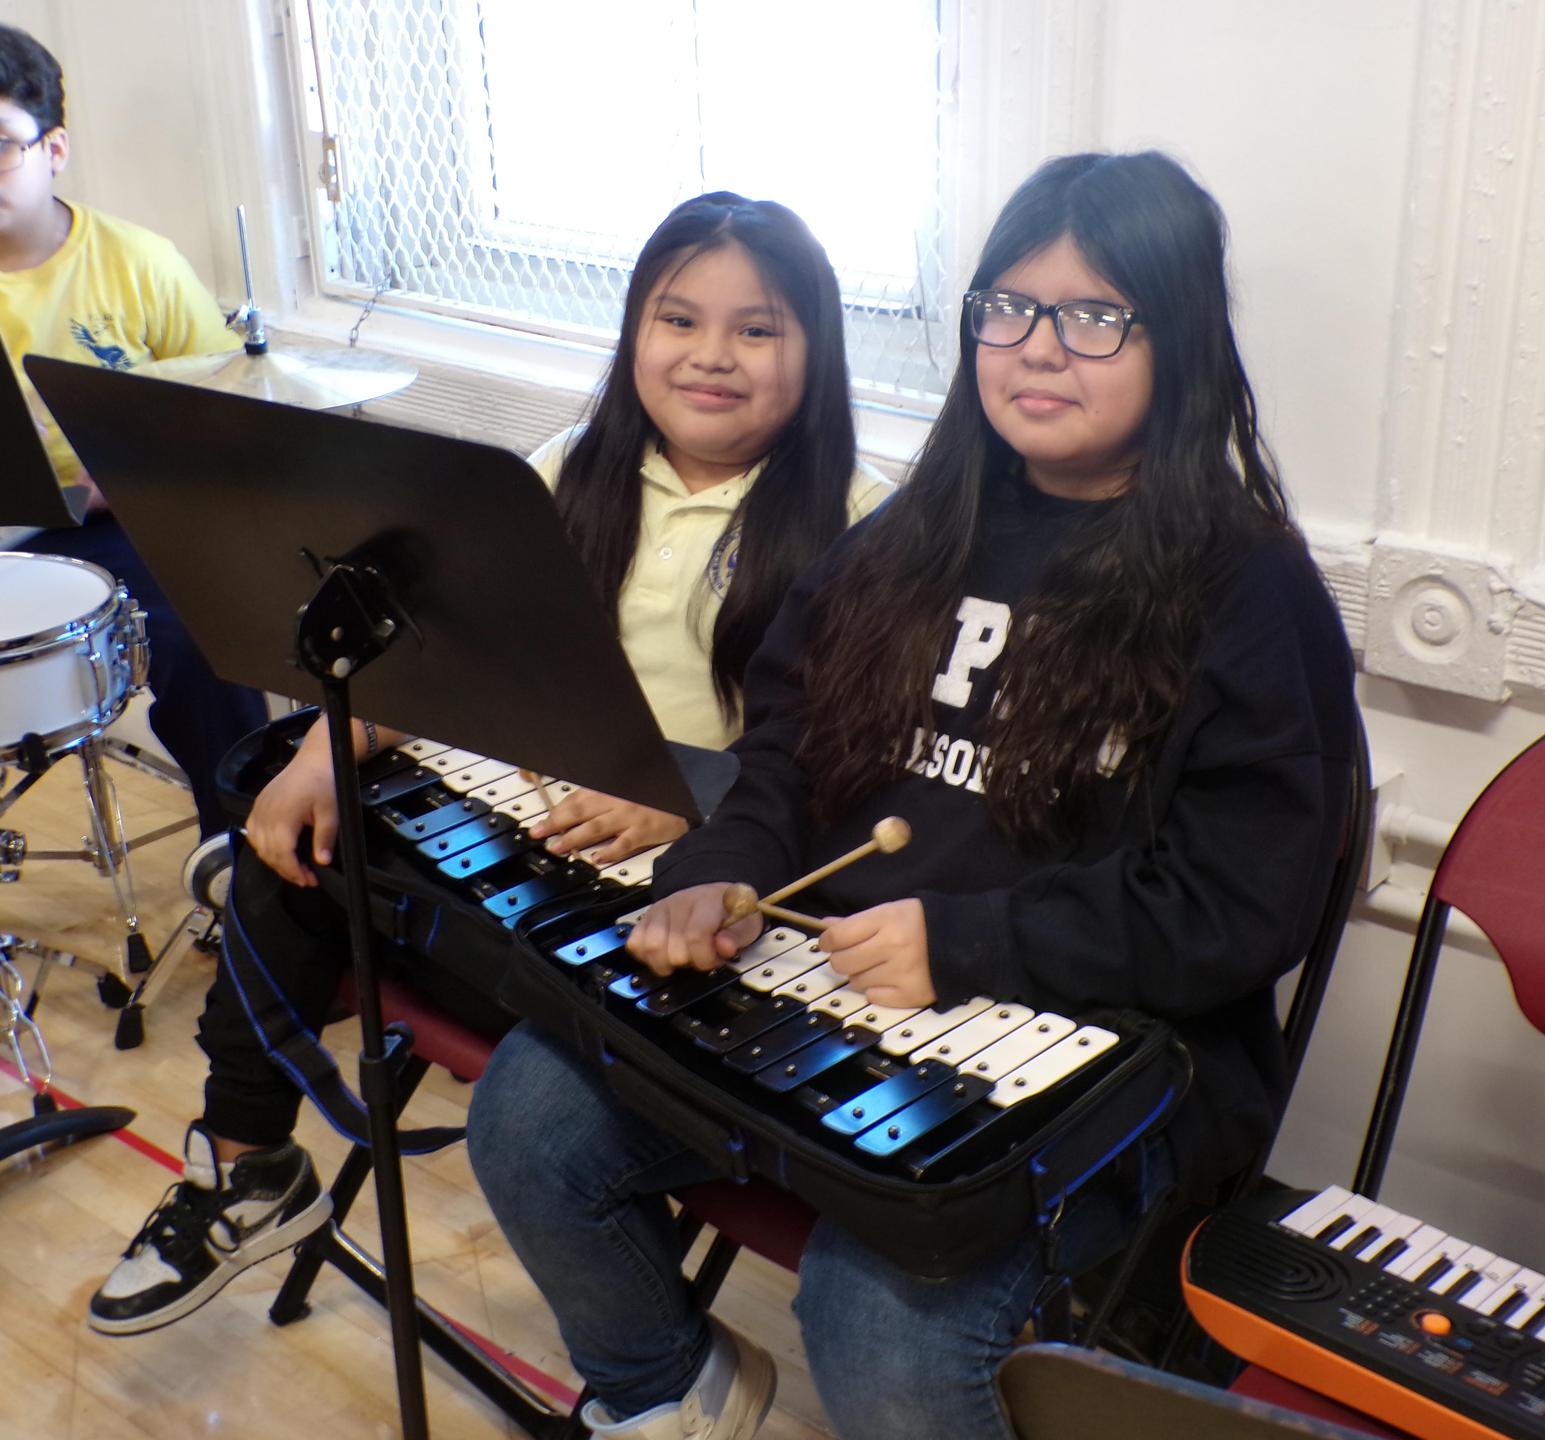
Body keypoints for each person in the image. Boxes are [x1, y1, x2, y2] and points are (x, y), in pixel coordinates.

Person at [465, 151, 1357, 1440]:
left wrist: (968, 942)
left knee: (877, 1309)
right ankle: (666, 1393)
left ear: (1183, 341)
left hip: (1111, 1059)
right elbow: (783, 757)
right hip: (845, 1005)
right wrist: (718, 869)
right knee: (533, 1112)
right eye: (1009, 308)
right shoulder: (909, 535)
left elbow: (1238, 906)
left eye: (1096, 317)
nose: (1041, 350)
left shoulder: (1249, 591)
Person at [85, 191, 893, 1336]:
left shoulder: (868, 523)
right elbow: (420, 648)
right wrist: (322, 751)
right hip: (521, 848)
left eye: (758, 330)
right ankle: (246, 1160)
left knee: (308, 897)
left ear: (816, 350)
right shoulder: (567, 465)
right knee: (298, 830)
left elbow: (847, 768)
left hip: (682, 903)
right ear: (634, 332)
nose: (712, 356)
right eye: (679, 320)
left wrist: (686, 799)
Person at [0, 23, 265, 840]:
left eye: (1, 145)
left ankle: (250, 857)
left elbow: (232, 410)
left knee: (198, 638)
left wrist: (149, 468)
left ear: (55, 149)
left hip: (117, 528)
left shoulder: (137, 263)